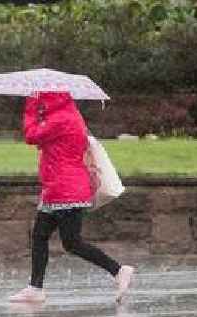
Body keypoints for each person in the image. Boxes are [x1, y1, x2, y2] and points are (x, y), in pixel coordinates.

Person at [9, 91, 134, 304]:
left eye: (41, 97)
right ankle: (35, 288)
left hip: (66, 189)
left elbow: (31, 136)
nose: (38, 99)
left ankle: (119, 270)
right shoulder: (66, 114)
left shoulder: (61, 119)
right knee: (40, 235)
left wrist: (30, 107)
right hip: (57, 187)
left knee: (72, 242)